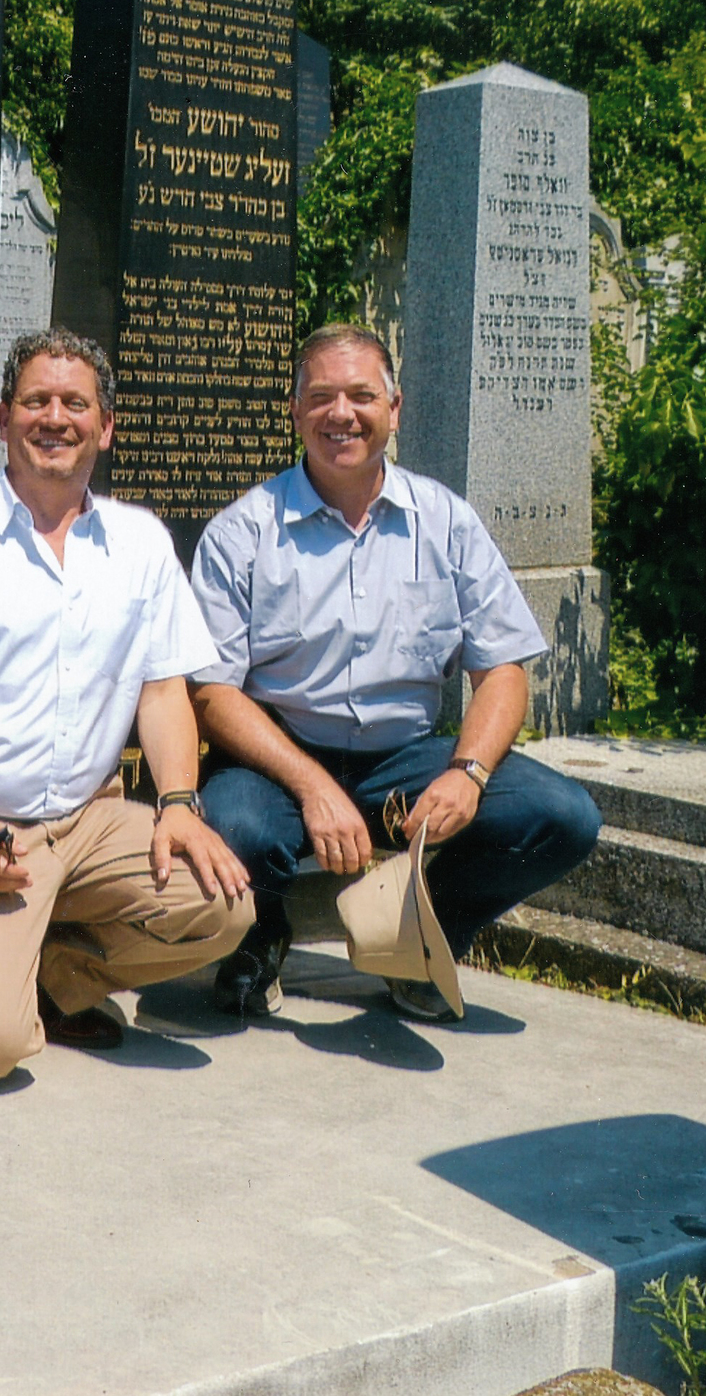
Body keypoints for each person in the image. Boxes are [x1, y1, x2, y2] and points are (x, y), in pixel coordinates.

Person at [0, 328, 254, 1087]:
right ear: (4, 420)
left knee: (222, 906)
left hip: (88, 821)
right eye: (36, 401)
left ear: (106, 426)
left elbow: (162, 688)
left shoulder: (141, 543)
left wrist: (178, 804)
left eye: (75, 404)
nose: (55, 418)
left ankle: (53, 980)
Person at [189, 323, 602, 1023]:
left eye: (361, 395)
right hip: (278, 757)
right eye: (321, 397)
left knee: (563, 817)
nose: (341, 414)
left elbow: (502, 669)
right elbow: (211, 692)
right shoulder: (243, 531)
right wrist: (312, 785)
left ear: (394, 408)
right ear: (295, 412)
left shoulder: (447, 522)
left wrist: (467, 773)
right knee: (233, 826)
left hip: (404, 758)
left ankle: (420, 937)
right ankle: (263, 936)